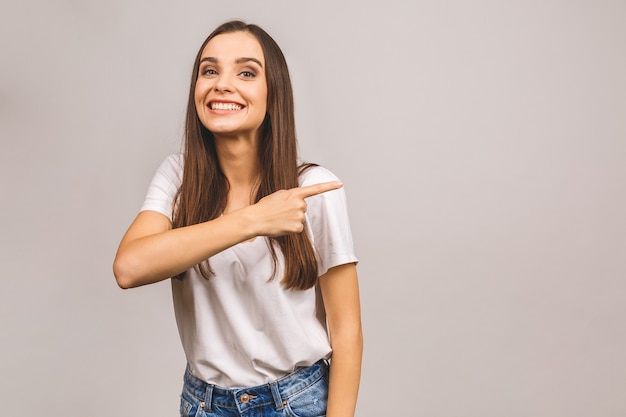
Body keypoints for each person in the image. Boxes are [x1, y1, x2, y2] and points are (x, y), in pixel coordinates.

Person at [113, 20, 362, 417]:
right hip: (203, 404)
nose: (222, 84)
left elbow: (347, 333)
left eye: (246, 72)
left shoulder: (313, 188)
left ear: (273, 94)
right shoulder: (178, 177)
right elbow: (129, 268)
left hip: (296, 402)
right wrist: (254, 220)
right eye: (209, 70)